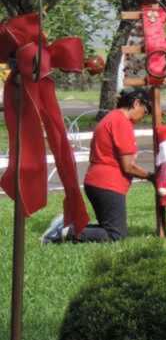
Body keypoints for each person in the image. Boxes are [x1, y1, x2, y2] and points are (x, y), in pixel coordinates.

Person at [41, 88, 153, 243]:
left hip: (98, 182)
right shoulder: (122, 122)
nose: (144, 116)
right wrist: (151, 176)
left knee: (108, 228)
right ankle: (65, 231)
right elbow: (128, 166)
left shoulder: (112, 117)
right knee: (116, 235)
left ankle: (69, 227)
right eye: (146, 111)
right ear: (136, 103)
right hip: (108, 185)